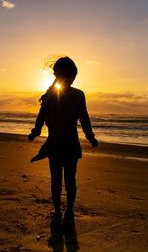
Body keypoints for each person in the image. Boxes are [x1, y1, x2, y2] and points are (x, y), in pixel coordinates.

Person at [28, 57, 98, 226]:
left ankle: (60, 211)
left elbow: (41, 117)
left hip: (55, 144)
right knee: (69, 180)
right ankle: (67, 211)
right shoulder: (77, 95)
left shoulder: (52, 94)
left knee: (56, 180)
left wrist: (35, 132)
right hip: (70, 144)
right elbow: (84, 119)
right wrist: (90, 137)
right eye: (71, 75)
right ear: (72, 75)